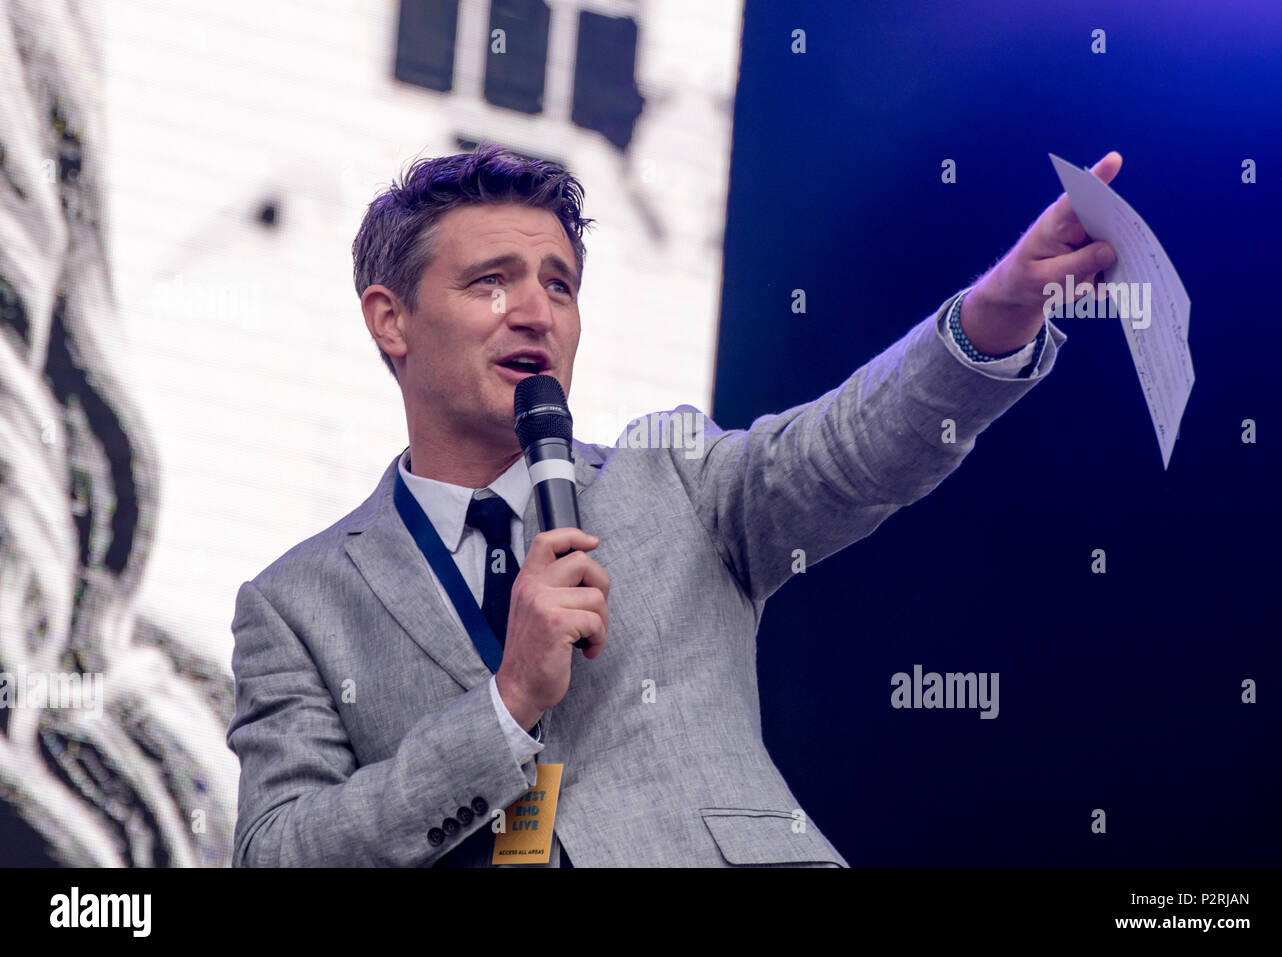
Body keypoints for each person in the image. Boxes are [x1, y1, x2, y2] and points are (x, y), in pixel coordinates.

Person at [226, 142, 1121, 867]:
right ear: (391, 319)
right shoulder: (296, 605)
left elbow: (850, 449)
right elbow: (278, 854)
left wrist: (996, 313)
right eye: (493, 281)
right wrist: (504, 706)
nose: (537, 310)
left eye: (560, 282)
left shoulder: (675, 478)